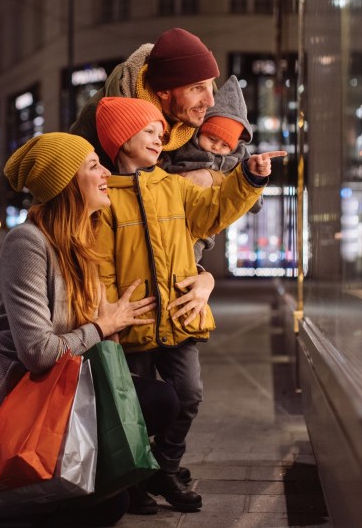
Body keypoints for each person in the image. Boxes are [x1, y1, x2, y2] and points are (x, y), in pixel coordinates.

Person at [0, 133, 178, 527]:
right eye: (93, 166)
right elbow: (37, 352)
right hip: (9, 390)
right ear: (66, 186)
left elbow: (88, 342)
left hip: (58, 382)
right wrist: (100, 325)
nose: (106, 173)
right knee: (105, 507)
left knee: (160, 403)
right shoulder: (26, 243)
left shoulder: (83, 241)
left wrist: (109, 327)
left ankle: (67, 488)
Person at [93, 96, 285, 513]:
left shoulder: (173, 187)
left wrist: (248, 178)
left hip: (180, 314)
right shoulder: (107, 197)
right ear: (122, 139)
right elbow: (102, 264)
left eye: (161, 134)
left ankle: (165, 467)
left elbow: (214, 211)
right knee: (136, 406)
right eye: (150, 132)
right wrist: (109, 314)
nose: (160, 140)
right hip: (134, 321)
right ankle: (138, 478)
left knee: (189, 394)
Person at [70, 27, 220, 188]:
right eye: (196, 88)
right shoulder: (98, 116)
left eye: (209, 84)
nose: (210, 101)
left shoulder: (206, 109)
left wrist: (212, 177)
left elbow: (240, 173)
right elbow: (70, 192)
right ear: (163, 92)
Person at [166, 75, 264, 260]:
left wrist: (254, 174)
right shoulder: (182, 143)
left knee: (186, 262)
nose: (217, 147)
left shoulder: (235, 160)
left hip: (203, 228)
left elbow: (254, 201)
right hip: (173, 212)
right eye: (211, 139)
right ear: (200, 131)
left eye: (225, 145)